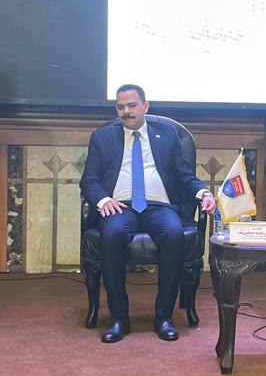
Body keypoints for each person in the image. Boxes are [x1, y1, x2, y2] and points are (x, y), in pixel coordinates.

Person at [80, 84, 215, 343]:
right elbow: (89, 180)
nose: (126, 112)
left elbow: (185, 175)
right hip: (120, 205)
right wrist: (104, 200)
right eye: (120, 107)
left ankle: (163, 317)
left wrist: (203, 194)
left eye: (132, 105)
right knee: (112, 234)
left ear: (145, 106)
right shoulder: (102, 137)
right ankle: (119, 319)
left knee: (174, 233)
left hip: (159, 206)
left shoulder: (167, 134)